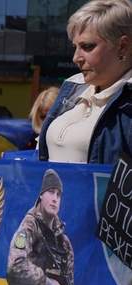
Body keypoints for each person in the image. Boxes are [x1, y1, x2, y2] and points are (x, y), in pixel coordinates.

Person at [39, 0, 132, 164]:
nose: (76, 58)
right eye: (75, 47)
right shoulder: (72, 87)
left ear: (122, 46)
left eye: (87, 46)